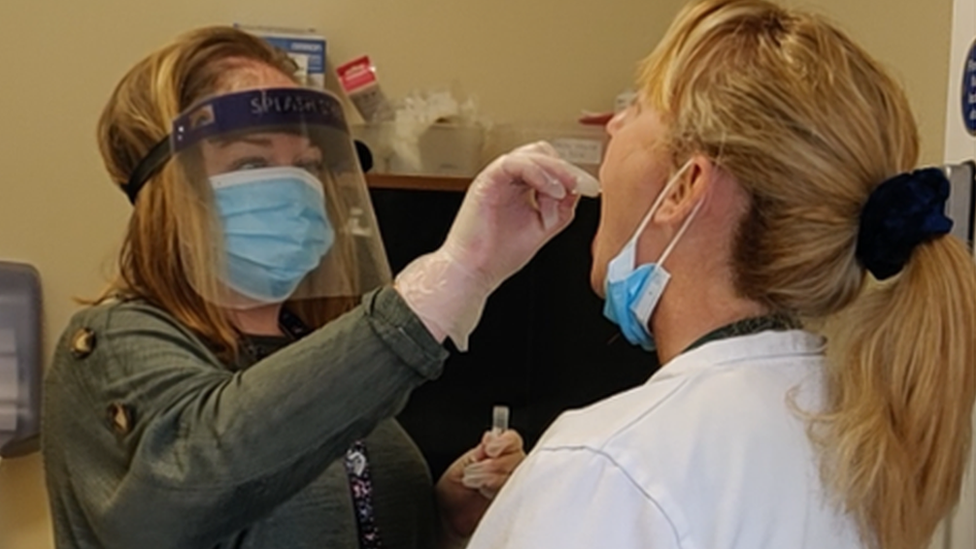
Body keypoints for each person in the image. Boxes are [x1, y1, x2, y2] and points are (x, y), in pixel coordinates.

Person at [41, 26, 586, 549]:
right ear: (169, 190)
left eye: (307, 165)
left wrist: (445, 517)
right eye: (252, 161)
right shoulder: (110, 343)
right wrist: (446, 282)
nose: (296, 187)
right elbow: (198, 471)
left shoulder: (317, 347)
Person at [466, 1, 976, 549]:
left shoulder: (613, 470)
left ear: (684, 190)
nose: (612, 126)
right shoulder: (864, 446)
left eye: (636, 106)